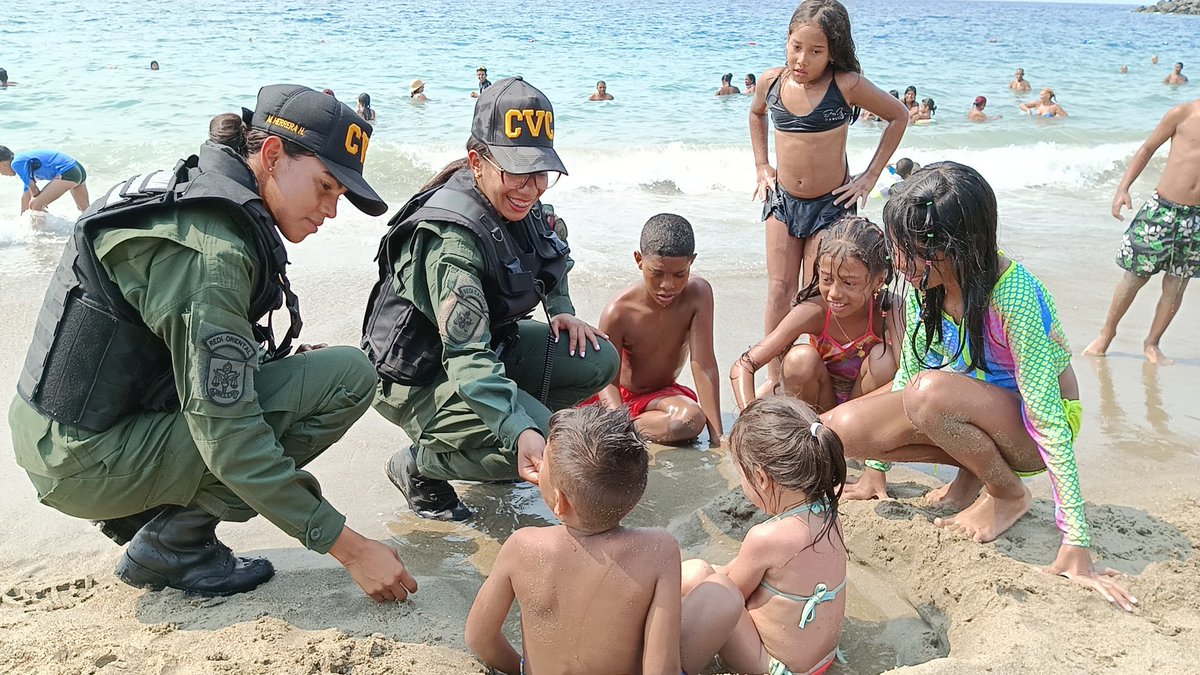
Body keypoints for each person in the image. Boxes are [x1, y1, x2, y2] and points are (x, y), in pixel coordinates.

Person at [8, 85, 420, 602]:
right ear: (271, 156)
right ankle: (176, 543)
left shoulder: (198, 191)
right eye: (325, 187)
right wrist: (351, 548)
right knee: (349, 378)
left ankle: (153, 518)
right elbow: (232, 439)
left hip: (64, 429)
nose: (331, 211)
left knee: (323, 373)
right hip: (80, 461)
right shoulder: (211, 252)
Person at [825, 161, 1136, 612]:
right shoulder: (923, 284)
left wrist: (1078, 544)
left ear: (955, 248)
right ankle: (967, 482)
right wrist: (876, 470)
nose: (898, 264)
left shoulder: (1012, 295)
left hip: (1030, 431)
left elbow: (1048, 419)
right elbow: (908, 374)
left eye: (907, 251)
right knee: (841, 430)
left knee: (929, 394)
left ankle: (1008, 494)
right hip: (964, 409)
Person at [364, 76, 619, 522]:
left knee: (599, 359)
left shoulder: (521, 202)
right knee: (551, 443)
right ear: (476, 162)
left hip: (489, 346)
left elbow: (553, 241)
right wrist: (519, 428)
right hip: (419, 377)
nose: (531, 187)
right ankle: (421, 463)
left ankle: (498, 430)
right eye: (517, 171)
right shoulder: (452, 242)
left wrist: (562, 311)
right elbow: (467, 358)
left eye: (541, 172)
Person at [749, 0, 908, 397]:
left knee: (814, 292)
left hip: (830, 206)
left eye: (816, 51)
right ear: (787, 40)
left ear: (833, 51)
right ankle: (776, 378)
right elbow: (756, 115)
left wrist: (869, 177)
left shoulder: (845, 85)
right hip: (783, 202)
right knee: (778, 288)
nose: (802, 59)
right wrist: (761, 166)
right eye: (796, 46)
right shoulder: (772, 82)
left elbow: (899, 116)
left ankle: (820, 371)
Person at [464, 406, 681, 675]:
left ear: (561, 501)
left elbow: (479, 637)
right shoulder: (659, 549)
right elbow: (661, 670)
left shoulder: (521, 546)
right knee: (718, 593)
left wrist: (522, 667)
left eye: (544, 461)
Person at [679, 396, 846, 675]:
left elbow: (730, 594)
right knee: (705, 576)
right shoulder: (828, 515)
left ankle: (669, 660)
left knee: (701, 578)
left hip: (776, 668)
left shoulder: (767, 538)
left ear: (761, 478)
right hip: (821, 661)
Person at [730, 217, 899, 413]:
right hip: (816, 411)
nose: (834, 293)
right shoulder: (815, 311)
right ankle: (807, 434)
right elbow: (743, 366)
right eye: (827, 279)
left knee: (884, 358)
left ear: (879, 281)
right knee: (799, 359)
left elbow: (910, 375)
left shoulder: (890, 309)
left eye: (849, 283)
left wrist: (842, 419)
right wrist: (747, 418)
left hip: (862, 413)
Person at [585, 213, 723, 445]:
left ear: (692, 262)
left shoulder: (698, 295)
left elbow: (704, 364)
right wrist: (619, 428)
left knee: (690, 419)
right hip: (621, 399)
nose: (668, 286)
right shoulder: (619, 311)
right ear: (639, 260)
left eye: (680, 274)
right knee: (686, 421)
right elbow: (607, 381)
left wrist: (718, 437)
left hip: (661, 394)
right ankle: (617, 429)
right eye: (657, 273)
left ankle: (625, 427)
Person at [1084, 98, 1200, 365]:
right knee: (1135, 277)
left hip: (1196, 220)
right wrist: (1123, 189)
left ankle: (1153, 343)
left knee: (1176, 285)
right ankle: (1107, 334)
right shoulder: (1181, 114)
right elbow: (1147, 148)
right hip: (1162, 210)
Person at [0, 146, 91, 214]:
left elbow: (34, 191)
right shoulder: (22, 163)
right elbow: (26, 195)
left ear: (2, 164)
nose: (1, 174)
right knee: (85, 209)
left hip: (67, 171)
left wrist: (40, 201)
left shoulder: (16, 163)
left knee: (35, 205)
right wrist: (22, 218)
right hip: (77, 169)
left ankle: (41, 235)